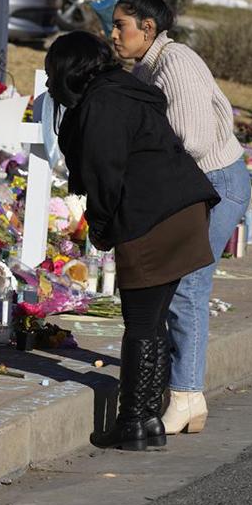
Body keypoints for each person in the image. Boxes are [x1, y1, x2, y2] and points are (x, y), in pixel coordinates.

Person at [46, 31, 219, 451]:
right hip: (185, 211)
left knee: (140, 324)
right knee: (154, 321)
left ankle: (131, 424)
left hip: (151, 217)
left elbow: (106, 175)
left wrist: (102, 228)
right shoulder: (127, 90)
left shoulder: (102, 104)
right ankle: (149, 423)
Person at [111, 0, 251, 435]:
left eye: (120, 27)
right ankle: (186, 393)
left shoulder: (176, 63)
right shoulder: (150, 65)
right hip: (194, 185)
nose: (113, 35)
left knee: (188, 287)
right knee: (177, 286)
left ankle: (187, 395)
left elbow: (191, 139)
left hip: (215, 183)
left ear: (146, 30)